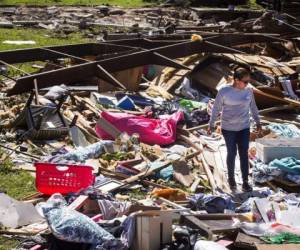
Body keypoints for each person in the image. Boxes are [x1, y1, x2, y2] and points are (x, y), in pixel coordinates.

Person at [208, 67, 262, 192]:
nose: (248, 84)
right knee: (231, 153)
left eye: (248, 81)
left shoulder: (248, 90)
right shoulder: (224, 91)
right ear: (236, 80)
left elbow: (253, 107)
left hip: (244, 127)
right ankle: (231, 179)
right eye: (245, 81)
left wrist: (258, 122)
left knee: (244, 153)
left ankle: (245, 181)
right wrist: (211, 124)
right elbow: (216, 108)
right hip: (228, 128)